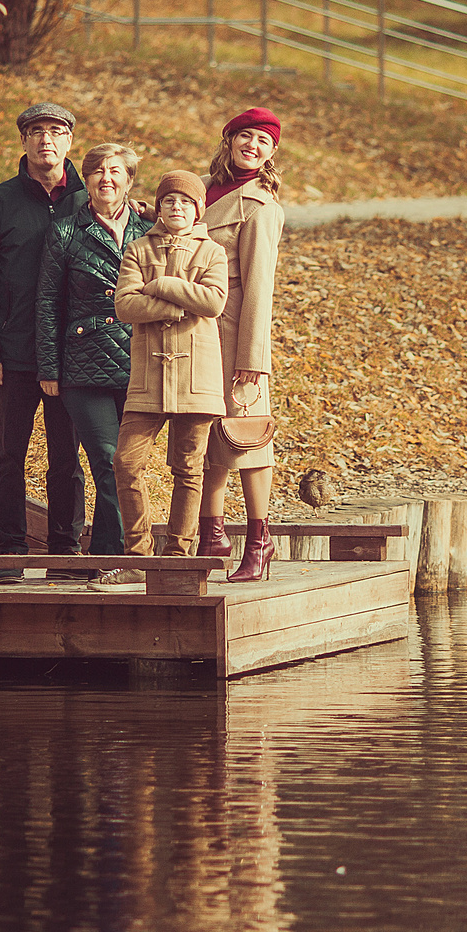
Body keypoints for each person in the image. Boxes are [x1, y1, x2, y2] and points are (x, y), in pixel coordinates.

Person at [0, 101, 88, 579]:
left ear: (70, 141)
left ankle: (65, 550)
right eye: (36, 131)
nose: (45, 140)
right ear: (24, 141)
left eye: (55, 131)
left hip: (72, 356)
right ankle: (10, 550)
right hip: (12, 357)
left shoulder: (88, 201)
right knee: (9, 455)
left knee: (66, 458)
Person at [35, 143, 153, 571]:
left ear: (129, 180)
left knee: (127, 463)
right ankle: (112, 557)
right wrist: (49, 366)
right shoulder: (66, 230)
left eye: (116, 171)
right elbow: (48, 301)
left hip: (141, 361)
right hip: (83, 363)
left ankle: (114, 553)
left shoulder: (150, 230)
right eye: (98, 171)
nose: (107, 178)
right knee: (106, 457)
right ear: (86, 181)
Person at [109, 170, 228, 571]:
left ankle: (178, 558)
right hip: (147, 379)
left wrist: (159, 285)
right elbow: (125, 305)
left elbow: (213, 303)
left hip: (197, 377)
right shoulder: (138, 249)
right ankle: (137, 557)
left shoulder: (213, 252)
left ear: (198, 208)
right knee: (125, 462)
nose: (177, 207)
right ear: (158, 207)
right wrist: (180, 304)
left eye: (185, 202)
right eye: (169, 201)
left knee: (189, 468)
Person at [198, 106, 286, 582]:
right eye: (245, 137)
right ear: (228, 139)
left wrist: (254, 358)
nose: (253, 146)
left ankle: (259, 540)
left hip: (235, 336)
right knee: (206, 435)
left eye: (263, 141)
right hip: (194, 333)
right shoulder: (203, 191)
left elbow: (259, 287)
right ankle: (211, 536)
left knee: (247, 437)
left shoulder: (260, 206)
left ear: (272, 153)